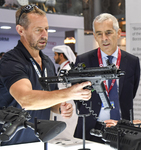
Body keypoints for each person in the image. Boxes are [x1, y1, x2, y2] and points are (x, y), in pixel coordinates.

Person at [0, 4, 91, 146]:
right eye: (38, 30)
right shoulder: (11, 61)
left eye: (46, 29)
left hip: (38, 142)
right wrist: (68, 94)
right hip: (10, 143)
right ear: (20, 30)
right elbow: (26, 99)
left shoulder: (47, 62)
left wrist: (61, 106)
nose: (44, 35)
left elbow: (50, 98)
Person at [74, 13, 140, 143]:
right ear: (94, 36)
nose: (104, 38)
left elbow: (130, 93)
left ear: (118, 33)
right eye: (99, 33)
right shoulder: (83, 60)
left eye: (108, 32)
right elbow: (77, 95)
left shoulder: (132, 61)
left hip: (122, 129)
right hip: (90, 127)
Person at [51, 44, 78, 140]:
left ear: (61, 55)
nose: (54, 57)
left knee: (67, 132)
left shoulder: (68, 70)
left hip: (68, 105)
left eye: (55, 55)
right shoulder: (62, 68)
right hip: (62, 104)